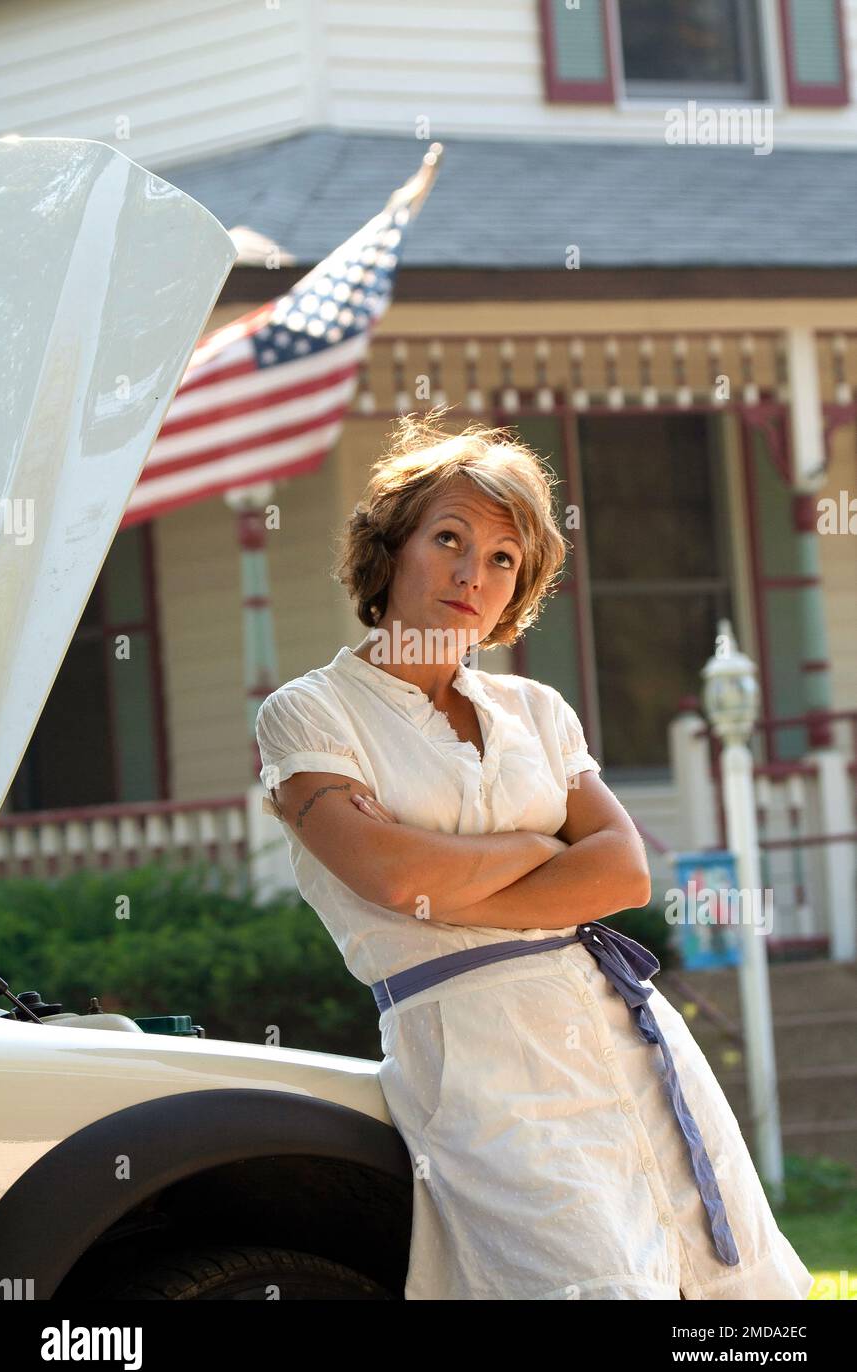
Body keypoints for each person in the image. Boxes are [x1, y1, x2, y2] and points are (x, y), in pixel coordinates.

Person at [255, 408, 814, 1301]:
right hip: (475, 1051)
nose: (474, 573)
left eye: (504, 558)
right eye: (449, 538)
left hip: (622, 1030)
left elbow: (624, 874)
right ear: (390, 548)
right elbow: (387, 876)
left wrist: (444, 879)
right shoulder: (310, 713)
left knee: (727, 1297)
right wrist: (536, 845)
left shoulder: (540, 711)